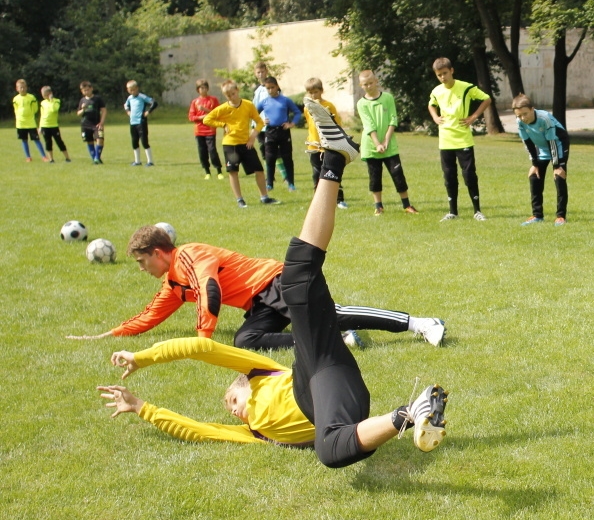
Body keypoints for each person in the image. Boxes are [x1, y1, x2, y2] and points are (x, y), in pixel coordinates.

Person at [96, 122, 449, 466]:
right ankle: (408, 413)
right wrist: (142, 408)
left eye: (232, 399)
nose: (232, 409)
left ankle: (335, 161)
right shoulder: (255, 432)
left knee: (299, 278)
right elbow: (200, 431)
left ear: (244, 383)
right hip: (330, 404)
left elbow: (199, 347)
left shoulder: (261, 373)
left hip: (319, 367)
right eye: (231, 410)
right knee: (327, 446)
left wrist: (143, 357)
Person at [66, 221, 446, 348]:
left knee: (337, 315)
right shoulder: (172, 284)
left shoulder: (190, 255)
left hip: (275, 281)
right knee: (246, 341)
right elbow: (149, 316)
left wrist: (203, 338)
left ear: (157, 252)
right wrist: (110, 334)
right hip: (258, 305)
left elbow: (210, 291)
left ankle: (422, 323)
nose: (140, 268)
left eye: (141, 261)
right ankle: (329, 338)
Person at [428, 58, 492, 221]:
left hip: (463, 139)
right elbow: (431, 104)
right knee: (449, 176)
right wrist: (435, 117)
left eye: (445, 73)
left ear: (452, 71)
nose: (443, 77)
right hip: (445, 140)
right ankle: (452, 212)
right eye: (439, 75)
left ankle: (477, 211)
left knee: (469, 175)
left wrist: (474, 117)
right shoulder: (436, 91)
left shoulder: (466, 87)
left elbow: (486, 99)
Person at [201, 81, 277, 208]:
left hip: (246, 143)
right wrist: (223, 125)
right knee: (233, 172)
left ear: (237, 90)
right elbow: (207, 119)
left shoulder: (248, 105)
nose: (232, 97)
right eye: (228, 95)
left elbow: (259, 122)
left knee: (259, 170)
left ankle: (264, 197)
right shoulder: (223, 108)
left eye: (233, 93)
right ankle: (240, 200)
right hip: (230, 144)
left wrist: (252, 137)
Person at [358, 70, 417, 216]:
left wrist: (386, 141)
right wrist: (377, 143)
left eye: (371, 83)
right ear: (361, 85)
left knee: (398, 174)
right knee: (375, 176)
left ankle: (407, 205)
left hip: (389, 146)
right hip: (371, 147)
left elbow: (393, 119)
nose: (369, 86)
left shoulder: (388, 98)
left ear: (376, 81)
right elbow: (369, 125)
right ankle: (378, 206)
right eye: (365, 84)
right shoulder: (361, 103)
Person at [510, 94, 571, 225]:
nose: (522, 118)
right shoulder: (519, 121)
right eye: (519, 115)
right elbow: (528, 143)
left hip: (558, 146)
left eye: (525, 114)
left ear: (532, 109)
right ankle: (537, 215)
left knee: (559, 178)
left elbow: (552, 142)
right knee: (534, 176)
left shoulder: (544, 118)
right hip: (542, 148)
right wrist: (535, 164)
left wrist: (557, 166)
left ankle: (561, 216)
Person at [303, 77, 347, 209]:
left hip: (329, 146)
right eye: (310, 93)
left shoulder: (329, 105)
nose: (313, 95)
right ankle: (318, 201)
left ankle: (339, 199)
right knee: (316, 174)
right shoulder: (307, 107)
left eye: (315, 92)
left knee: (332, 173)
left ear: (321, 91)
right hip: (314, 146)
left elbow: (337, 124)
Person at [259, 76, 301, 192]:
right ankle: (270, 183)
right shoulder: (264, 102)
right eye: (268, 88)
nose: (270, 90)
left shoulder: (285, 100)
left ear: (277, 86)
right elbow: (253, 113)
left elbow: (297, 112)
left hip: (283, 131)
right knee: (270, 158)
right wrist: (261, 121)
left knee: (287, 157)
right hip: (270, 132)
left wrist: (292, 123)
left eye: (272, 87)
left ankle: (291, 183)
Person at [187, 79, 223, 179]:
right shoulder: (195, 102)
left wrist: (205, 110)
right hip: (199, 131)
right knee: (202, 151)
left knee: (212, 150)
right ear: (197, 90)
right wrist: (200, 117)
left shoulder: (213, 100)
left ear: (207, 88)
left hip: (210, 129)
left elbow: (218, 113)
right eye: (200, 88)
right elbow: (191, 117)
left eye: (204, 87)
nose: (203, 90)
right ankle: (207, 172)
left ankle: (219, 171)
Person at [123, 80, 157, 167]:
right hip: (132, 122)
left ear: (137, 88)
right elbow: (126, 105)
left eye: (133, 90)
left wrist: (148, 112)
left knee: (144, 141)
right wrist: (128, 112)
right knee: (134, 141)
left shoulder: (142, 96)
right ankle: (137, 161)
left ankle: (150, 161)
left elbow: (154, 103)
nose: (132, 92)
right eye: (130, 90)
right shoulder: (130, 98)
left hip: (141, 122)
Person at [13, 79, 47, 162]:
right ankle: (28, 157)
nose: (22, 89)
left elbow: (35, 108)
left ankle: (44, 156)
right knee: (24, 140)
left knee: (36, 139)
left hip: (31, 123)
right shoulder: (15, 99)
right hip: (21, 124)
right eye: (20, 88)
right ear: (17, 89)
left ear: (26, 88)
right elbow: (16, 109)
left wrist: (30, 114)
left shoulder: (31, 97)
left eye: (24, 87)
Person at [77, 81, 107, 164]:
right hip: (85, 124)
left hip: (96, 124)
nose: (86, 92)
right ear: (82, 91)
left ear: (91, 89)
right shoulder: (82, 100)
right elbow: (78, 113)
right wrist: (83, 109)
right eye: (84, 90)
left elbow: (104, 111)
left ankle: (97, 157)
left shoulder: (97, 99)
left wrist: (102, 122)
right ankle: (95, 159)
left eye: (87, 90)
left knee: (100, 139)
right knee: (89, 141)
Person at [39, 86, 70, 162]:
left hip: (53, 126)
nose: (45, 97)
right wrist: (40, 126)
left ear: (50, 94)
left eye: (46, 95)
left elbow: (54, 110)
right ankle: (51, 159)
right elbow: (42, 115)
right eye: (43, 95)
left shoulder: (56, 101)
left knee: (59, 141)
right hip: (45, 125)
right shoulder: (43, 103)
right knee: (48, 142)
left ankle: (67, 157)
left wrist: (51, 100)